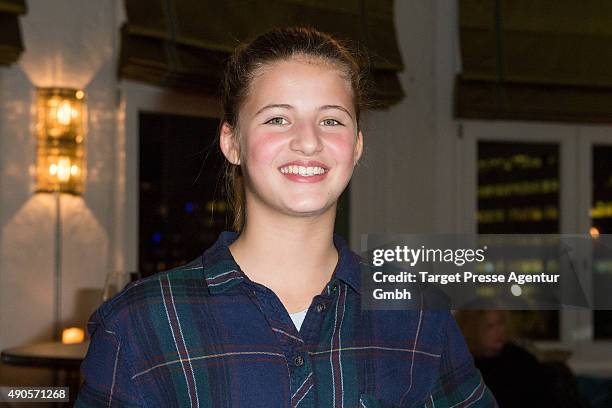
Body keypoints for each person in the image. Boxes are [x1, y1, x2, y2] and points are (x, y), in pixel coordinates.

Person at [76, 27, 496, 407]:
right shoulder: (138, 324)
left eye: (331, 120)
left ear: (357, 146)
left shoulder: (420, 313)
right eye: (278, 118)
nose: (309, 141)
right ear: (232, 142)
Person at [455, 310, 586, 408]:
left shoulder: (519, 357)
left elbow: (545, 397)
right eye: (490, 326)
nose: (499, 331)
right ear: (473, 330)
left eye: (501, 324)